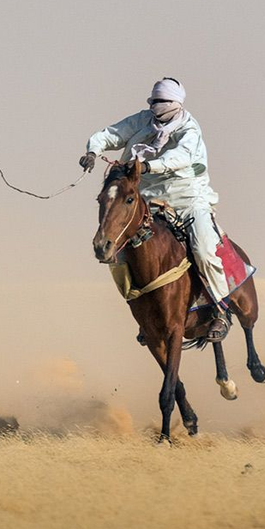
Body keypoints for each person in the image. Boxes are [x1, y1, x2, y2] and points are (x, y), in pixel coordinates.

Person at [79, 77, 231, 341]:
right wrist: (93, 150)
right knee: (121, 250)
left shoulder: (189, 130)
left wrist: (150, 166)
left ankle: (221, 310)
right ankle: (144, 315)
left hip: (187, 198)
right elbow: (113, 134)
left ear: (176, 104)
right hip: (147, 196)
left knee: (205, 249)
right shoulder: (142, 120)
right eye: (153, 101)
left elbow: (180, 157)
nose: (156, 106)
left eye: (162, 102)